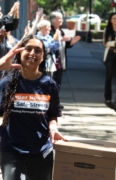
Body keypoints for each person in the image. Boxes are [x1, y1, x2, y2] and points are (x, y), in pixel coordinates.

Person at [0, 34, 67, 180]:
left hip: (41, 151)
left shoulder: (50, 85)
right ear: (20, 53)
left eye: (37, 50)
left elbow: (52, 114)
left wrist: (53, 128)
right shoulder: (6, 84)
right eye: (28, 49)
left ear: (43, 56)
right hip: (11, 151)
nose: (32, 53)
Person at [49, 11, 81, 110]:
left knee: (58, 82)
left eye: (62, 19)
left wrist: (72, 42)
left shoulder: (60, 31)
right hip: (51, 61)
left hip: (60, 61)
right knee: (51, 82)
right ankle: (50, 103)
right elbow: (49, 44)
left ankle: (56, 102)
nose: (61, 21)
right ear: (53, 20)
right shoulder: (49, 30)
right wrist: (61, 40)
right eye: (59, 19)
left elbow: (65, 46)